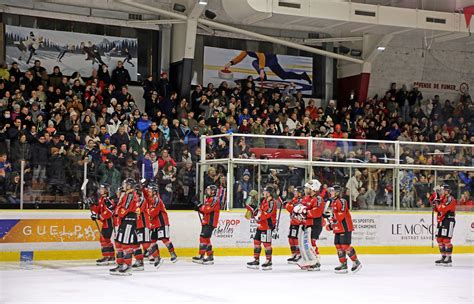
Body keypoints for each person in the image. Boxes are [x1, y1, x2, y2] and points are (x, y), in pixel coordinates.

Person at [326, 184, 362, 273]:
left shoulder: (342, 201)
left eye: (333, 191)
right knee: (338, 246)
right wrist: (331, 224)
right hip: (338, 228)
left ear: (338, 193)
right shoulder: (333, 202)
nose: (331, 193)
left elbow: (340, 216)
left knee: (345, 246)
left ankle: (356, 262)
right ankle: (343, 265)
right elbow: (335, 217)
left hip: (345, 227)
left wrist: (332, 221)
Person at [142, 182, 178, 268]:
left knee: (164, 239)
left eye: (150, 190)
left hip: (162, 222)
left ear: (154, 191)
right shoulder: (150, 199)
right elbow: (146, 194)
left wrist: (146, 214)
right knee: (152, 241)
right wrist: (142, 187)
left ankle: (173, 254)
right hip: (154, 224)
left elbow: (154, 212)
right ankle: (157, 258)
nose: (148, 192)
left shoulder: (157, 199)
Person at [110, 178, 140, 276]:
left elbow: (124, 210)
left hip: (128, 221)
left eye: (125, 184)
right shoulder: (127, 195)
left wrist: (116, 212)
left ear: (129, 186)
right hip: (124, 221)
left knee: (126, 244)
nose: (124, 185)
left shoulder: (130, 196)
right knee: (119, 243)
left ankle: (128, 266)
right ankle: (120, 264)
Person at [294, 179, 326, 271]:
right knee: (305, 244)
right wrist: (298, 211)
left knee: (311, 243)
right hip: (307, 224)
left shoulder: (318, 198)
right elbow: (300, 206)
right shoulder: (306, 198)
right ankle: (309, 260)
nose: (306, 189)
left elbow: (317, 212)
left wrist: (305, 212)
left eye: (308, 188)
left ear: (313, 188)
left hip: (315, 224)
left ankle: (316, 262)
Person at [246, 185, 277, 271]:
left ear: (269, 193)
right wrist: (254, 214)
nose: (263, 192)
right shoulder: (264, 201)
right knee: (256, 242)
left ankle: (269, 261)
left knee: (267, 245)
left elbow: (268, 213)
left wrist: (259, 217)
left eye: (265, 191)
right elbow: (260, 211)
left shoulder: (272, 202)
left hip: (267, 226)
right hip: (261, 225)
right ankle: (256, 260)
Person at [192, 185, 220, 265]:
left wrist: (199, 205)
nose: (206, 191)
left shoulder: (214, 200)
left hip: (210, 223)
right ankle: (210, 257)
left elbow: (208, 210)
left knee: (203, 237)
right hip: (206, 221)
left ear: (213, 192)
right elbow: (205, 211)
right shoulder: (208, 199)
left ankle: (201, 256)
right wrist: (198, 208)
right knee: (206, 239)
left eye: (208, 190)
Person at [89, 184, 116, 265]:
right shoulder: (102, 199)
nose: (100, 190)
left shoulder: (107, 200)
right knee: (106, 240)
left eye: (102, 189)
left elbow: (109, 211)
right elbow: (99, 210)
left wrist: (98, 216)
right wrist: (92, 205)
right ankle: (111, 256)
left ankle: (106, 256)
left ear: (106, 190)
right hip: (105, 224)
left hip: (109, 223)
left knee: (103, 239)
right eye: (100, 188)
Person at [431, 184, 456, 266]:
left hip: (448, 220)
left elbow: (442, 209)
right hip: (441, 220)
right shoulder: (442, 198)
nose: (441, 191)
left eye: (443, 190)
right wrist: (434, 204)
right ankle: (443, 256)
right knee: (439, 239)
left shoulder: (450, 199)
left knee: (446, 240)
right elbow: (437, 210)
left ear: (447, 191)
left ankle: (449, 258)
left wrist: (437, 204)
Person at [285, 186, 304, 264]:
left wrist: (290, 206)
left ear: (300, 193)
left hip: (298, 222)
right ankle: (294, 254)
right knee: (291, 238)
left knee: (296, 239)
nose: (294, 193)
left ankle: (299, 255)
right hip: (292, 222)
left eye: (296, 192)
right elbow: (288, 207)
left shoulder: (301, 200)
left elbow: (292, 208)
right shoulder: (294, 199)